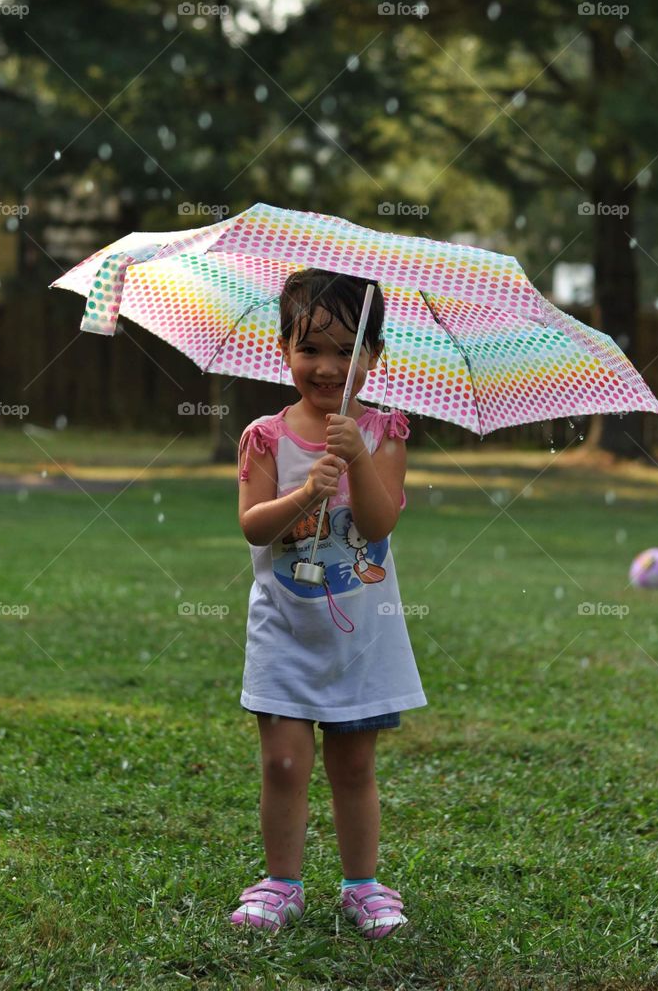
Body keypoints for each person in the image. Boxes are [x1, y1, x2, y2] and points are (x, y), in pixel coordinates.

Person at [230, 267, 427, 940]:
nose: (327, 366)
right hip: (285, 629)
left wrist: (358, 462)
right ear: (282, 347)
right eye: (309, 347)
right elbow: (255, 525)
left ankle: (362, 885)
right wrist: (308, 490)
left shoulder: (385, 434)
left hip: (360, 636)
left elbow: (376, 526)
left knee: (353, 763)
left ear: (373, 356)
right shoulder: (264, 436)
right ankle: (280, 883)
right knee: (283, 761)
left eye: (347, 351)